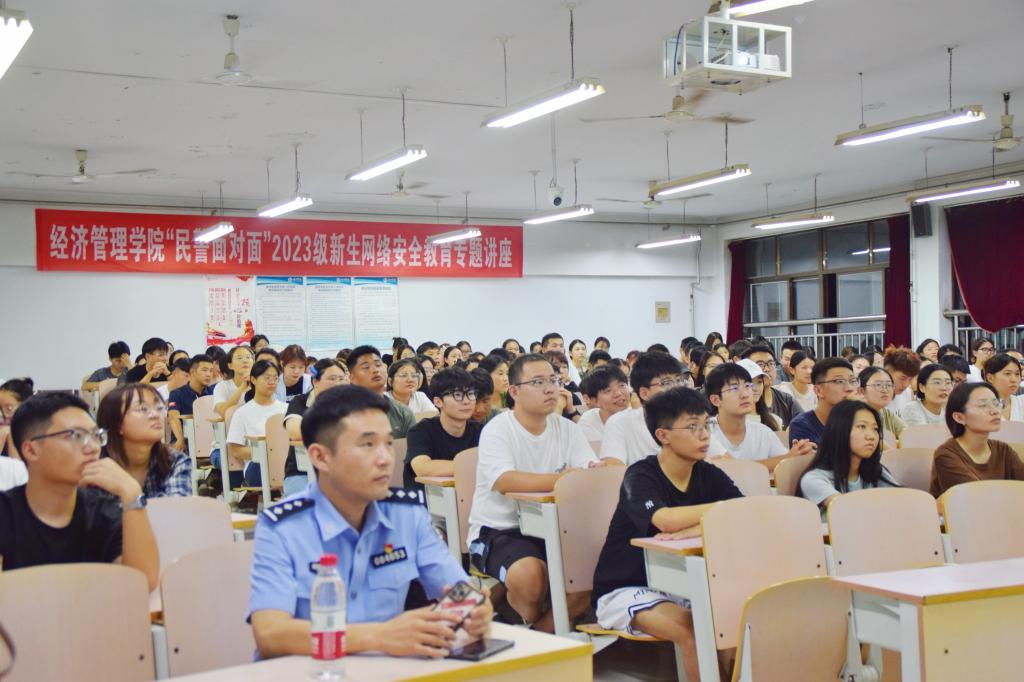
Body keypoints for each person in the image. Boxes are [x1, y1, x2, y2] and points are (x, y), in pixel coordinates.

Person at [248, 385, 492, 660]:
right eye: (367, 445)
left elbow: (458, 589)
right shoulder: (282, 527)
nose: (385, 458)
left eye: (388, 443)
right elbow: (270, 634)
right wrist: (378, 636)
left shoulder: (407, 515)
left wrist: (475, 609)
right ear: (320, 457)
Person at [592, 387, 741, 682]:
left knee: (734, 624)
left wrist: (697, 526)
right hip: (627, 587)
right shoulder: (640, 475)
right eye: (693, 427)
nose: (704, 435)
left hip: (685, 584)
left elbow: (743, 512)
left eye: (707, 425)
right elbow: (666, 520)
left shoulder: (708, 473)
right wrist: (719, 511)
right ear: (663, 435)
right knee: (694, 629)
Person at [467, 354, 618, 633]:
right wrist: (563, 479)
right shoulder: (498, 429)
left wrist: (597, 471)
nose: (550, 389)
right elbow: (504, 480)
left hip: (558, 528)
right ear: (514, 392)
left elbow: (586, 473)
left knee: (594, 572)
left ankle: (538, 636)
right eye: (538, 382)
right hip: (501, 530)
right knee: (529, 576)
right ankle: (526, 620)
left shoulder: (567, 429)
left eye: (554, 380)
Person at [0, 392, 159, 589]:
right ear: (31, 450)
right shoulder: (5, 512)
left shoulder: (104, 510)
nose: (93, 448)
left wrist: (132, 494)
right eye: (75, 436)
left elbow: (142, 584)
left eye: (96, 436)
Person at [601, 352, 725, 465]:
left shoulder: (694, 420)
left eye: (679, 380)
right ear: (644, 393)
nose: (677, 388)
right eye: (667, 383)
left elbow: (724, 460)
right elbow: (613, 469)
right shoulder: (620, 423)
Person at [798, 400, 899, 518]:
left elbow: (902, 500)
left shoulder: (875, 472)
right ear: (840, 430)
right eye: (862, 427)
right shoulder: (813, 479)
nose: (871, 436)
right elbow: (847, 510)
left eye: (875, 429)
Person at [707, 363, 814, 471]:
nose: (745, 394)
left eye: (748, 386)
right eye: (734, 388)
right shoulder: (704, 431)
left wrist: (799, 454)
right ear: (716, 400)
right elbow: (733, 468)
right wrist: (788, 457)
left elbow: (785, 465)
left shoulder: (762, 432)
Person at [930, 382, 1024, 496]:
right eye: (983, 405)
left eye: (996, 404)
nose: (995, 411)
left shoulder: (1003, 450)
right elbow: (977, 497)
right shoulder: (945, 455)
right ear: (959, 417)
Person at [98, 384, 192, 498]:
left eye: (159, 408)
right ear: (117, 423)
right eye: (143, 409)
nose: (155, 415)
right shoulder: (98, 467)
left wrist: (132, 494)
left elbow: (177, 506)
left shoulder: (174, 461)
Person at [405, 368, 483, 489]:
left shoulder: (482, 431)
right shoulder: (420, 431)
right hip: (429, 497)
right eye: (458, 395)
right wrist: (473, 467)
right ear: (438, 401)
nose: (466, 401)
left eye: (471, 394)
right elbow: (422, 467)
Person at [281, 359, 349, 497]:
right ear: (315, 381)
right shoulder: (300, 402)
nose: (338, 384)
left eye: (342, 379)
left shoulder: (350, 405)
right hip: (301, 473)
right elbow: (295, 432)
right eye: (332, 379)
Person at [226, 360, 287, 488]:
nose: (272, 382)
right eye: (267, 378)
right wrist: (268, 452)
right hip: (257, 464)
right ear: (253, 380)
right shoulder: (242, 412)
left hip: (285, 461)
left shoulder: (287, 409)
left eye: (275, 378)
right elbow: (236, 451)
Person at [347, 346, 416, 438]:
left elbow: (413, 445)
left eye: (378, 365)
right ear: (352, 378)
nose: (375, 370)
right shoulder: (342, 414)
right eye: (366, 367)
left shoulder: (403, 413)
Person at [788, 358, 858, 447]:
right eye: (839, 381)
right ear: (818, 391)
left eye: (852, 381)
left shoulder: (860, 419)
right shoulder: (802, 425)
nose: (849, 388)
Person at [741, 345, 803, 428]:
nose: (767, 369)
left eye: (771, 364)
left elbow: (805, 424)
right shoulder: (737, 416)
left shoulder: (786, 400)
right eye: (760, 364)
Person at [166, 354, 216, 453]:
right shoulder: (177, 393)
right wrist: (180, 438)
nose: (208, 374)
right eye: (204, 370)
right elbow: (173, 416)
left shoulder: (214, 392)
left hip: (209, 441)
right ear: (193, 372)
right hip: (185, 441)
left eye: (211, 371)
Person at [577, 365, 631, 444]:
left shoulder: (639, 416)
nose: (618, 393)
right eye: (608, 390)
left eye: (621, 385)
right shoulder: (588, 423)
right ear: (594, 400)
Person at [857, 366, 906, 444]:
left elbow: (908, 434)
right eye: (878, 385)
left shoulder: (886, 413)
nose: (885, 390)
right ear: (862, 391)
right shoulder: (856, 415)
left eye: (889, 385)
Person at [738, 358, 783, 431]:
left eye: (759, 382)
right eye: (749, 383)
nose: (755, 388)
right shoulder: (728, 422)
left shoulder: (775, 421)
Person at [213, 346, 254, 418]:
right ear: (230, 365)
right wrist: (241, 388)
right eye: (239, 358)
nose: (245, 361)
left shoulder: (260, 384)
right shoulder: (222, 386)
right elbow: (222, 412)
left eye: (248, 357)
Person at [983, 353, 1024, 421]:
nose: (1014, 380)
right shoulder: (979, 406)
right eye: (1007, 374)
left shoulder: (1021, 402)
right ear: (990, 378)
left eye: (1017, 374)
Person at [0, 378, 33, 459]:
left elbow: (16, 465)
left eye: (9, 408)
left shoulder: (34, 433)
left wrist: (10, 434)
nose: (3, 414)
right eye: (0, 408)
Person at [883, 346, 922, 414]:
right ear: (887, 372)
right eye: (902, 378)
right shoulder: (874, 396)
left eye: (910, 379)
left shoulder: (908, 393)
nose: (906, 385)